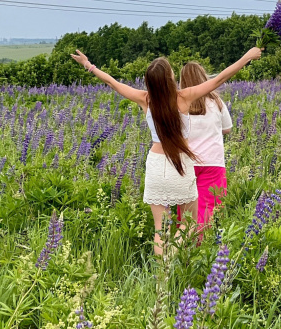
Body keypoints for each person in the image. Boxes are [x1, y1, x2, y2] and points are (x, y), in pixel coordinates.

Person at [70, 48, 262, 255]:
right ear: (171, 78)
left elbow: (113, 83)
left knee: (160, 230)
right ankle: (172, 258)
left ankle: (162, 276)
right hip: (180, 164)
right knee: (188, 224)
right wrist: (246, 57)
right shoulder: (184, 97)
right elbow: (220, 79)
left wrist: (89, 66)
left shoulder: (145, 99)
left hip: (155, 164)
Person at [176, 62, 233, 232]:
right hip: (213, 163)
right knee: (208, 209)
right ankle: (203, 247)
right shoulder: (216, 102)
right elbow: (227, 129)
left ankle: (184, 249)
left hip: (186, 163)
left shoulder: (179, 103)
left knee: (186, 212)